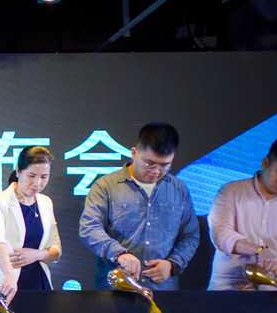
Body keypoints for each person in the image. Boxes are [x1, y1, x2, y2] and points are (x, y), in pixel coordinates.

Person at [78, 122, 200, 290]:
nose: (156, 171)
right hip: (116, 286)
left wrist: (173, 264)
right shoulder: (106, 186)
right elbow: (89, 228)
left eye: (165, 165)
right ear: (134, 153)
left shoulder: (179, 189)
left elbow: (190, 235)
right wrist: (119, 253)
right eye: (149, 163)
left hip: (163, 288)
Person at [207, 135, 277, 291]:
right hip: (227, 285)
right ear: (265, 163)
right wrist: (255, 250)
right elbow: (220, 233)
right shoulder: (230, 191)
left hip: (273, 287)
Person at [0, 145, 60, 302]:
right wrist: (9, 274)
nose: (37, 183)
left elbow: (56, 249)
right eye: (31, 176)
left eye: (44, 177)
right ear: (18, 172)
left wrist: (37, 254)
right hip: (5, 282)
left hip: (38, 283)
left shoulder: (46, 202)